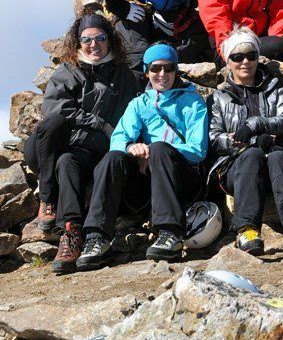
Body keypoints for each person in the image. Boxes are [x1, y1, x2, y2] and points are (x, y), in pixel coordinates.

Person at [22, 13, 140, 274]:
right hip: (64, 144)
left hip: (99, 150)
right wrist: (98, 123)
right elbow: (56, 111)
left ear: (110, 40)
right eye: (86, 39)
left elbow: (130, 116)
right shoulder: (67, 71)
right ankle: (48, 201)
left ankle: (71, 234)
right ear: (78, 42)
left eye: (100, 38)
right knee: (55, 133)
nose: (93, 44)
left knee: (67, 162)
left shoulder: (124, 77)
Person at [75, 43, 209, 269]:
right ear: (146, 71)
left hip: (182, 182)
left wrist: (156, 150)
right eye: (155, 68)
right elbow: (118, 138)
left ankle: (170, 233)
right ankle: (97, 238)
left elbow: (198, 150)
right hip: (147, 186)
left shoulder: (193, 102)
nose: (162, 74)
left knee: (159, 149)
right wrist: (131, 148)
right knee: (113, 158)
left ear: (176, 70)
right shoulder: (139, 104)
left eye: (169, 68)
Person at [208, 27, 283, 261]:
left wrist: (255, 124)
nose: (245, 61)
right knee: (252, 155)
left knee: (278, 156)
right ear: (228, 61)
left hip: (281, 158)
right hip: (238, 165)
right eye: (237, 57)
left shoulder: (278, 88)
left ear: (258, 57)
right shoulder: (219, 98)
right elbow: (214, 138)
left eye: (251, 55)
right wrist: (255, 141)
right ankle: (247, 230)